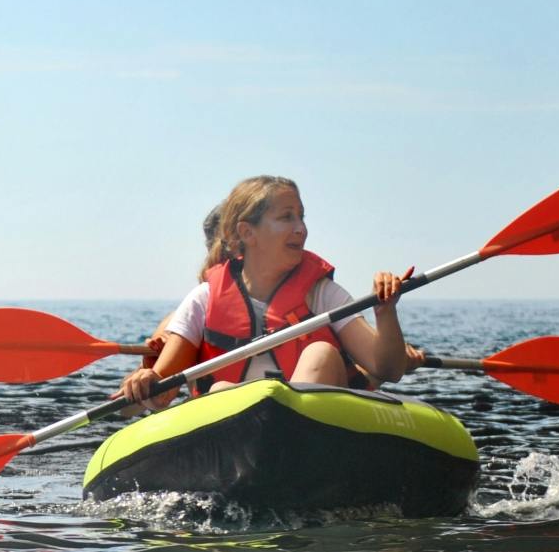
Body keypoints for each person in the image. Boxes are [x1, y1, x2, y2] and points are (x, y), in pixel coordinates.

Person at [118, 175, 419, 411]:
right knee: (220, 390)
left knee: (321, 354)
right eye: (287, 217)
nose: (301, 228)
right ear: (247, 233)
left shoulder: (323, 294)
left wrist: (385, 310)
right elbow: (163, 390)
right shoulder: (204, 300)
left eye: (301, 217)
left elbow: (388, 369)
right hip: (237, 441)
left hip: (310, 433)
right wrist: (147, 380)